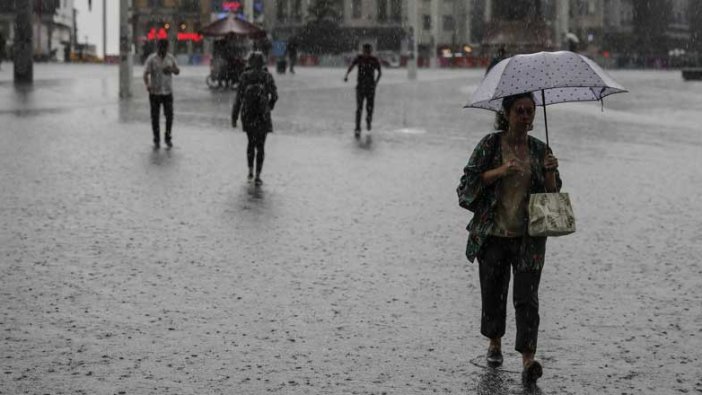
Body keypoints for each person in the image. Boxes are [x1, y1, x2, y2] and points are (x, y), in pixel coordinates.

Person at [456, 92, 561, 383]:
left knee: (527, 298)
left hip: (529, 239)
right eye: (520, 111)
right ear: (507, 114)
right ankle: (495, 341)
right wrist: (502, 170)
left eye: (530, 111)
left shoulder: (541, 150)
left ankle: (528, 359)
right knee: (493, 292)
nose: (526, 116)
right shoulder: (490, 145)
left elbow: (552, 199)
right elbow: (468, 184)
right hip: (493, 234)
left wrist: (550, 173)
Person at [232, 52, 278, 186]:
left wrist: (234, 116)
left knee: (250, 143)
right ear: (263, 62)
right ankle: (258, 175)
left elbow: (238, 99)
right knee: (261, 146)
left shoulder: (245, 76)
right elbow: (275, 96)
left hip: (248, 114)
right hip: (262, 115)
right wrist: (269, 107)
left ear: (250, 62)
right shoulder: (267, 76)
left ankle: (250, 170)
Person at [143, 40, 180, 149]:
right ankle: (156, 139)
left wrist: (172, 70)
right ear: (158, 47)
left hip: (168, 92)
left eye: (164, 48)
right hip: (155, 92)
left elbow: (178, 71)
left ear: (167, 48)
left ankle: (167, 138)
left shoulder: (171, 58)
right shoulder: (152, 59)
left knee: (169, 116)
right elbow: (145, 74)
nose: (162, 50)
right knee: (155, 117)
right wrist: (147, 84)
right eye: (160, 48)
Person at [344, 43, 382, 138]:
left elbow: (380, 72)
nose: (366, 53)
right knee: (359, 108)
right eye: (365, 51)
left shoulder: (374, 60)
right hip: (360, 87)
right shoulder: (359, 58)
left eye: (368, 52)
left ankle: (368, 122)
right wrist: (346, 75)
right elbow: (352, 66)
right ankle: (357, 127)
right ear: (363, 51)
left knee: (369, 108)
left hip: (370, 88)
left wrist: (376, 83)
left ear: (370, 52)